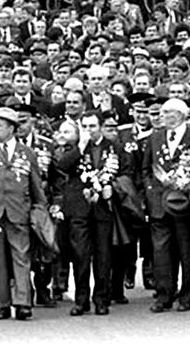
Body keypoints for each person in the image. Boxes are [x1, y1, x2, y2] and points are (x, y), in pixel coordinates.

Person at [0, 107, 45, 321]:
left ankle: (23, 303)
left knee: (21, 257)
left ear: (11, 128)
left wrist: (40, 211)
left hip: (19, 212)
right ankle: (3, 303)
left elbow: (36, 186)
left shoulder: (27, 152)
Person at [142, 98, 190, 313]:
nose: (162, 116)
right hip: (160, 203)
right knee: (161, 251)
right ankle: (164, 294)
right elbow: (146, 169)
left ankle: (187, 294)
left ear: (180, 115)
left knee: (187, 250)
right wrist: (150, 191)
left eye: (167, 112)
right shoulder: (155, 138)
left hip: (186, 203)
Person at [57, 110, 132, 316]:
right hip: (79, 208)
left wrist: (113, 188)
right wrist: (80, 147)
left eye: (93, 126)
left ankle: (102, 299)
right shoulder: (75, 145)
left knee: (103, 256)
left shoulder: (115, 147)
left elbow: (127, 173)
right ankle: (81, 300)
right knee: (80, 255)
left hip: (104, 209)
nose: (89, 130)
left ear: (101, 127)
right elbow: (62, 166)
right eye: (85, 126)